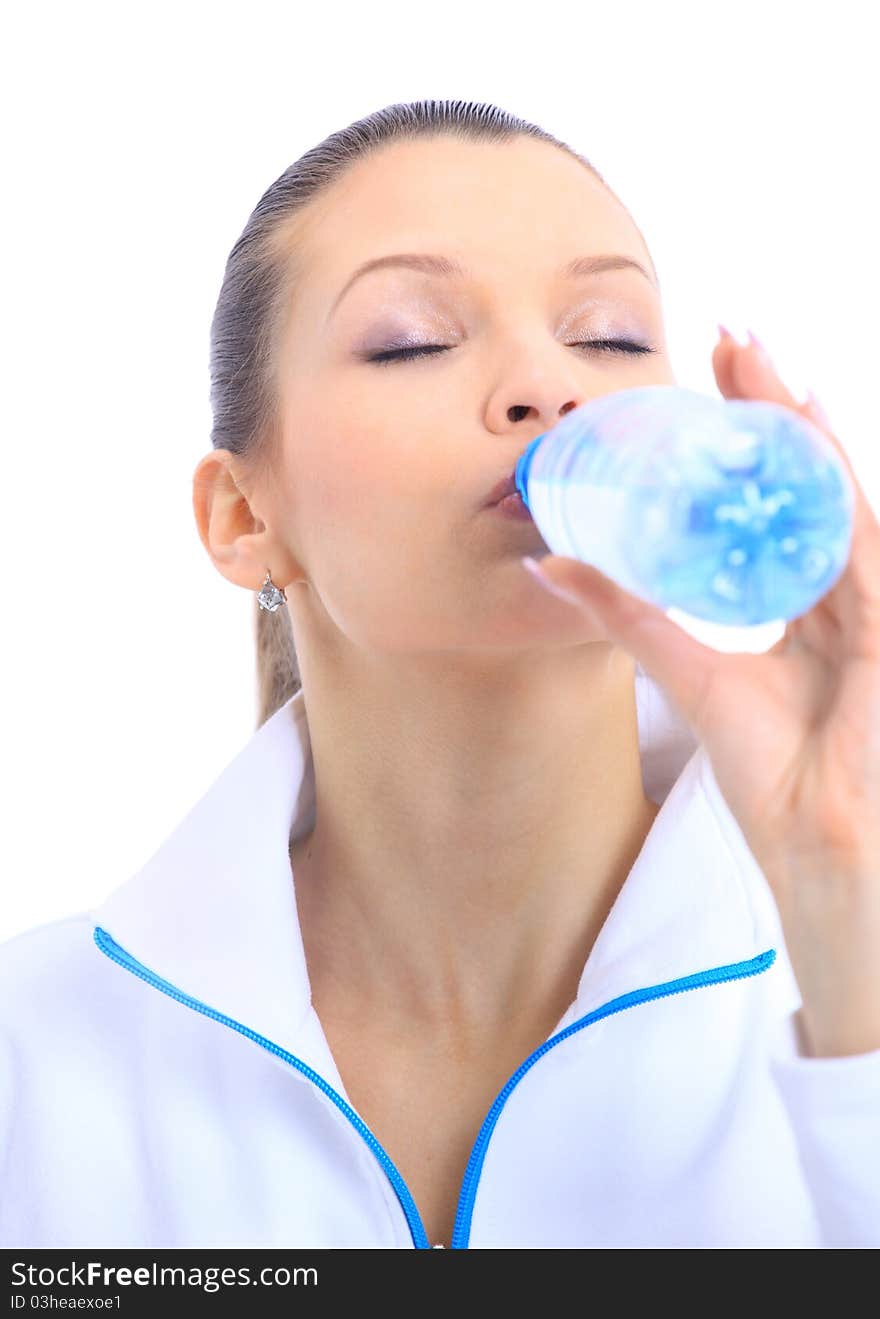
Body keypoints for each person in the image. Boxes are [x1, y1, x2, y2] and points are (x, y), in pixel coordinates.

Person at [2, 99, 879, 1251]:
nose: (544, 385)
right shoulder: (38, 1049)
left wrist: (844, 912)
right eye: (411, 338)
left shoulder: (844, 958)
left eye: (609, 334)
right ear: (242, 515)